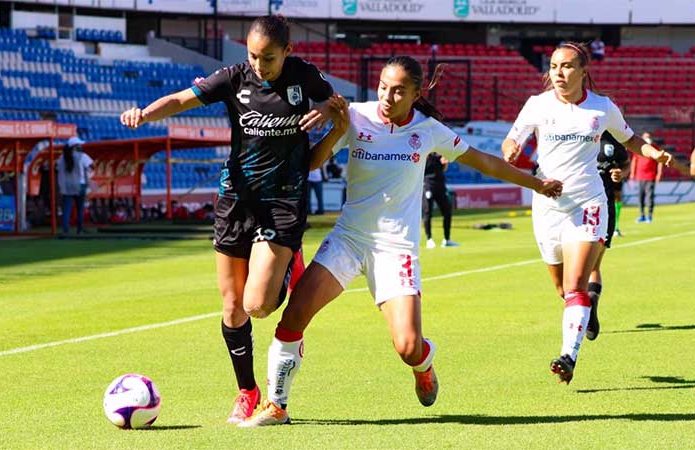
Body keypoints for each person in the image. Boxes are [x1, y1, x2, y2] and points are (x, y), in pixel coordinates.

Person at [239, 56, 563, 427]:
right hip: (350, 238)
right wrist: (337, 127)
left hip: (396, 249)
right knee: (294, 315)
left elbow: (484, 162)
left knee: (409, 347)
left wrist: (536, 182)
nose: (387, 97)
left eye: (398, 91)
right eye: (382, 87)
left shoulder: (429, 130)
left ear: (415, 94)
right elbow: (311, 163)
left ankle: (424, 366)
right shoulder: (356, 116)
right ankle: (276, 405)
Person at [119, 15, 336, 425]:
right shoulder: (234, 78)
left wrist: (324, 111)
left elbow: (333, 103)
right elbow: (182, 99)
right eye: (253, 56)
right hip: (235, 200)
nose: (259, 65)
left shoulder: (304, 76)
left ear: (287, 52)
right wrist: (145, 114)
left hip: (282, 202)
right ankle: (247, 391)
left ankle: (290, 263)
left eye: (268, 58)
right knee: (233, 305)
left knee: (258, 305)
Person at [501, 42, 674, 385]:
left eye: (566, 66)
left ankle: (568, 355)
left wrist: (651, 152)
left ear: (583, 71)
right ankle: (586, 309)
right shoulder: (537, 105)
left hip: (588, 203)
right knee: (563, 291)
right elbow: (512, 139)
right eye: (553, 67)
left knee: (576, 283)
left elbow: (630, 139)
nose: (559, 73)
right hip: (547, 205)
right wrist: (511, 150)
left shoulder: (601, 108)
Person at [585, 131, 631, 341]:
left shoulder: (614, 140)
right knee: (591, 266)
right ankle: (589, 301)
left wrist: (621, 173)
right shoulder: (573, 133)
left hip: (602, 207)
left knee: (584, 266)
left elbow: (625, 164)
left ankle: (584, 308)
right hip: (577, 206)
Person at [56, 136, 93, 235]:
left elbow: (58, 168)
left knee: (67, 209)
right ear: (75, 146)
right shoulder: (82, 156)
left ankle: (66, 230)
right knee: (80, 209)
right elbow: (91, 166)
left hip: (67, 185)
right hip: (80, 184)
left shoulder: (62, 157)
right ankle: (79, 230)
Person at [423, 152, 457, 248]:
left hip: (440, 187)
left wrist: (445, 163)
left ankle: (447, 239)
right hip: (428, 186)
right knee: (427, 213)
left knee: (447, 212)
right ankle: (429, 239)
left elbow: (444, 169)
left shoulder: (440, 156)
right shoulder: (424, 155)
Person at [630, 132, 663, 223]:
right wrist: (632, 174)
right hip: (640, 176)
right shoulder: (639, 147)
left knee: (650, 197)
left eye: (648, 137)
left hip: (650, 176)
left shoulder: (655, 148)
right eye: (645, 137)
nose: (647, 139)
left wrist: (659, 173)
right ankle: (641, 215)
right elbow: (634, 160)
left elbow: (660, 160)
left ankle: (649, 215)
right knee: (640, 197)